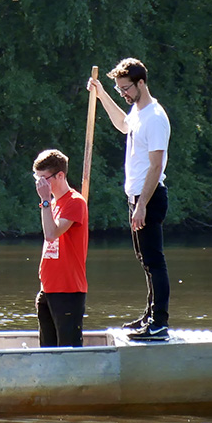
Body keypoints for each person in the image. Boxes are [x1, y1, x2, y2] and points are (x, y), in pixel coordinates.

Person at [88, 57, 171, 341]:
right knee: (145, 260)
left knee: (154, 260)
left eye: (126, 88)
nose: (124, 93)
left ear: (141, 83)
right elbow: (123, 125)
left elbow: (156, 166)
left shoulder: (155, 117)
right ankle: (149, 315)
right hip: (136, 197)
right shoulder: (137, 111)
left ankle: (159, 322)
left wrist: (142, 205)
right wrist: (102, 95)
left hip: (150, 196)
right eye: (120, 89)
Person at [32, 149, 89, 347]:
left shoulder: (75, 202)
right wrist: (47, 201)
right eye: (36, 179)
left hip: (68, 289)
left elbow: (51, 233)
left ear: (60, 175)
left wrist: (45, 200)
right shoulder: (52, 204)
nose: (39, 185)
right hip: (47, 288)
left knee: (68, 349)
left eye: (43, 179)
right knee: (47, 350)